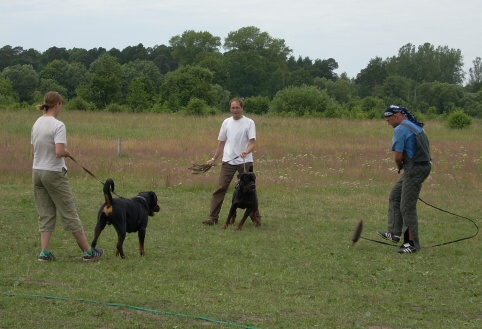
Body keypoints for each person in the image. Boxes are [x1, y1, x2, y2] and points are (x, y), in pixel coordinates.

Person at [31, 91, 103, 262]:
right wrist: (67, 153)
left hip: (37, 172)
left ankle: (44, 252)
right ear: (58, 105)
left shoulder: (36, 123)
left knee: (46, 213)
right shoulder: (58, 125)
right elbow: (59, 151)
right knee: (69, 212)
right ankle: (88, 252)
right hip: (54, 173)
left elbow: (33, 152)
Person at [377, 105, 431, 253]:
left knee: (407, 206)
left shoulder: (400, 129)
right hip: (421, 166)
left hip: (414, 169)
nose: (388, 123)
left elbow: (398, 156)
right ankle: (394, 233)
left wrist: (399, 166)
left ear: (397, 116)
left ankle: (411, 244)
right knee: (395, 196)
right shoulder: (413, 126)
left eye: (389, 120)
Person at [202, 98, 258, 225]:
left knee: (250, 189)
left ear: (241, 108)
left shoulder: (249, 123)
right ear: (230, 109)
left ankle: (255, 216)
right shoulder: (226, 122)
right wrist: (213, 159)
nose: (235, 110)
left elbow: (252, 143)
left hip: (245, 161)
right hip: (228, 161)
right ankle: (213, 217)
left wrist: (246, 151)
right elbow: (221, 143)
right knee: (220, 188)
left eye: (237, 108)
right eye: (233, 108)